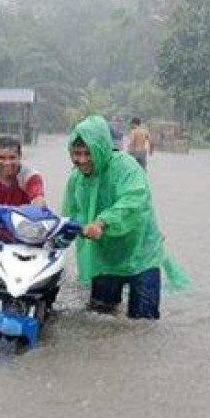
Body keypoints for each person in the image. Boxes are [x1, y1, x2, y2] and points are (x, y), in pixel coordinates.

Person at [62, 114, 187, 319]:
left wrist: (102, 222)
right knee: (100, 317)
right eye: (76, 153)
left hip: (140, 253)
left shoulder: (126, 167)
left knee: (143, 323)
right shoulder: (76, 179)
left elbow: (134, 201)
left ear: (101, 148)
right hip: (105, 257)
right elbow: (71, 213)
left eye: (88, 153)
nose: (82, 160)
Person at [0, 134, 46, 254]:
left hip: (31, 235)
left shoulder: (30, 177)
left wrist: (38, 209)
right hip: (5, 236)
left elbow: (38, 198)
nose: (7, 163)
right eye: (2, 158)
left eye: (12, 157)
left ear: (20, 157)